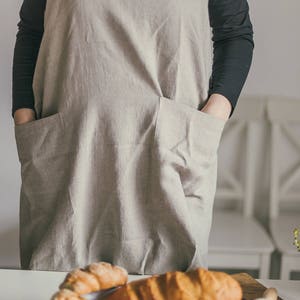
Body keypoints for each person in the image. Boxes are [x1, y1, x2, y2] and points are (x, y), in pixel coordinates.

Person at [12, 0, 254, 274]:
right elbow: (32, 30)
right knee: (58, 283)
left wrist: (215, 114)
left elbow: (235, 33)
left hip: (171, 152)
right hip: (68, 152)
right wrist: (22, 113)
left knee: (168, 285)